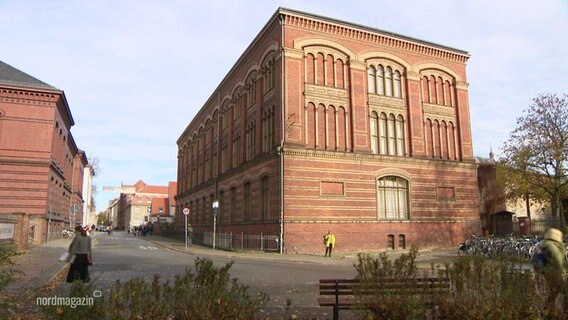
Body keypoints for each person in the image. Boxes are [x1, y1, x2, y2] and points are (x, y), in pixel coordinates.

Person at [540, 228, 567, 310]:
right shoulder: (552, 247)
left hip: (548, 272)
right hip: (555, 272)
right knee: (564, 291)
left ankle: (548, 309)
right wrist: (563, 272)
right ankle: (563, 310)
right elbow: (558, 260)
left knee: (554, 291)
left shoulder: (546, 245)